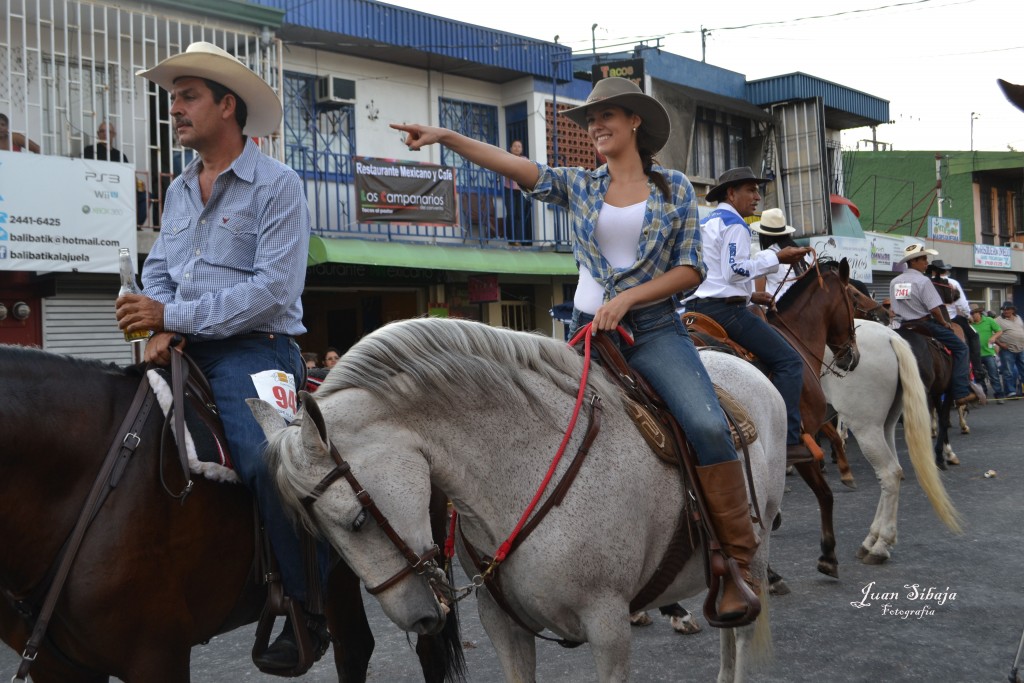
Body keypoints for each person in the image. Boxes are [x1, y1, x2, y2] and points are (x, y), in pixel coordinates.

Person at [391, 77, 762, 625]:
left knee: (707, 426)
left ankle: (735, 562)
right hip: (585, 335)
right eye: (590, 120)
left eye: (605, 115)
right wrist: (447, 137)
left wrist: (628, 298)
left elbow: (691, 269)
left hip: (654, 331)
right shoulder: (581, 185)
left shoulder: (675, 188)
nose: (595, 127)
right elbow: (516, 167)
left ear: (635, 120)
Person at [114, 41, 327, 671]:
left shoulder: (278, 185)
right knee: (114, 437)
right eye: (172, 98)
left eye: (188, 97)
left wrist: (170, 318)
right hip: (182, 344)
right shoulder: (179, 189)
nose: (174, 109)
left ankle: (308, 608)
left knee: (270, 462)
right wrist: (154, 320)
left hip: (255, 349)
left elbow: (272, 292)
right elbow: (160, 270)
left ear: (227, 106)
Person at [686, 167, 814, 463]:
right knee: (790, 362)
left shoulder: (707, 223)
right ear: (731, 193)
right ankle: (787, 440)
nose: (757, 196)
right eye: (751, 190)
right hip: (725, 312)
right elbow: (735, 270)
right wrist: (776, 257)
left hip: (697, 309)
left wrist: (751, 295)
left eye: (758, 190)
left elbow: (716, 274)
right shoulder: (735, 224)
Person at [889, 244, 976, 407]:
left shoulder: (895, 281)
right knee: (962, 348)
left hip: (902, 326)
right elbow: (935, 309)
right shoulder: (923, 281)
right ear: (913, 261)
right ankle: (961, 392)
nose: (926, 262)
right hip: (924, 325)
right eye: (923, 259)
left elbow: (894, 308)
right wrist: (944, 323)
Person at [927, 259, 983, 387]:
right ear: (945, 270)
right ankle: (977, 368)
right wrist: (968, 316)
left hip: (929, 319)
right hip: (950, 318)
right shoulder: (952, 283)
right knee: (974, 336)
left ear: (932, 271)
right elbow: (962, 303)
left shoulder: (926, 283)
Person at [751, 207, 812, 302]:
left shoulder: (762, 256)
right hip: (802, 306)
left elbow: (760, 295)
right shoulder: (803, 254)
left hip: (777, 308)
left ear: (763, 235)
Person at [969, 304, 1004, 402]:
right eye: (970, 314)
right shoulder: (969, 324)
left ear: (979, 313)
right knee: (979, 376)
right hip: (975, 355)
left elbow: (999, 331)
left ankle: (999, 395)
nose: (972, 315)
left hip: (988, 353)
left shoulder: (988, 320)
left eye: (973, 313)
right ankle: (983, 396)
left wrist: (993, 337)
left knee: (994, 375)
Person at [503, 139, 533, 245]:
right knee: (511, 214)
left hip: (521, 190)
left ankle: (518, 240)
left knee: (520, 215)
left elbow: (528, 171)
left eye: (519, 146)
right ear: (510, 148)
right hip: (509, 189)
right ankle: (510, 238)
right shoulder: (507, 158)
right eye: (514, 146)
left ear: (522, 149)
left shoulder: (525, 160)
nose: (517, 148)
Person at [995, 300, 1024, 398]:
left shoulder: (1018, 318)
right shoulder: (998, 320)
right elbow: (993, 334)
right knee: (1008, 371)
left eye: (1008, 309)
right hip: (1007, 349)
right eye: (1004, 309)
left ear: (1013, 310)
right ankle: (1010, 391)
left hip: (1021, 347)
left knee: (1023, 369)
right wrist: (1000, 344)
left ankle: (1022, 389)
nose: (1006, 311)